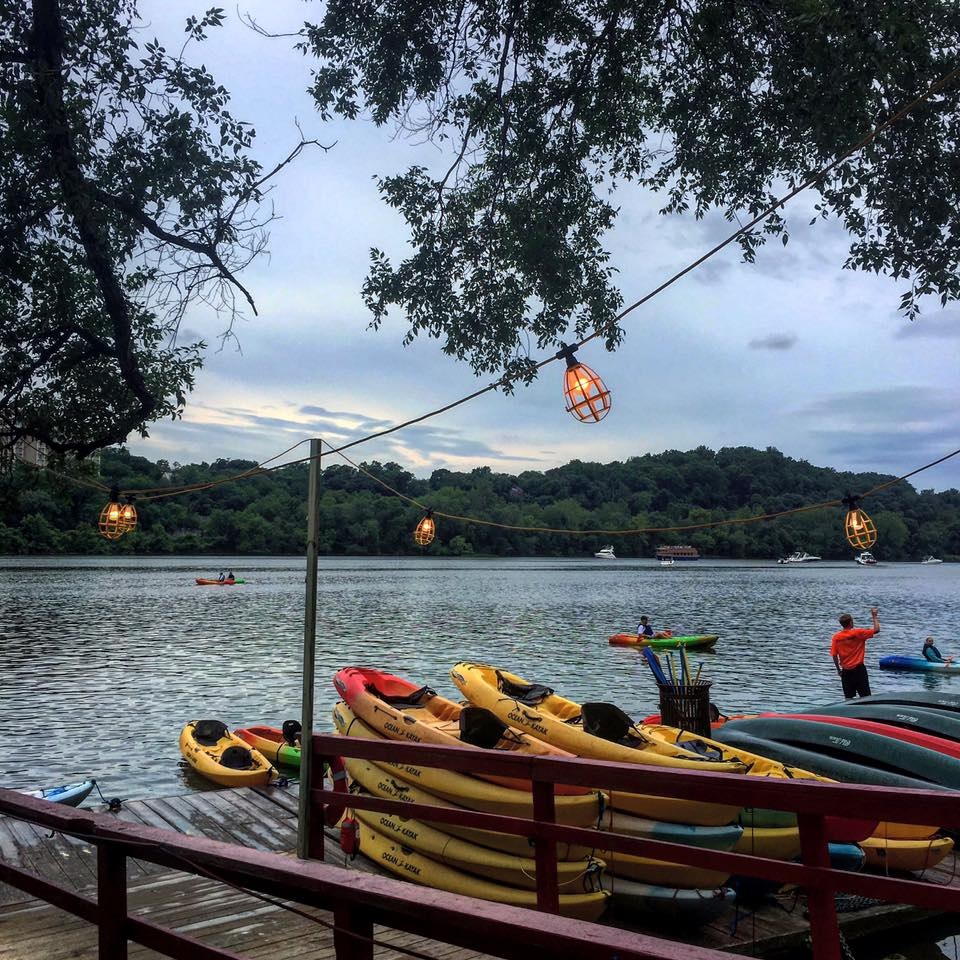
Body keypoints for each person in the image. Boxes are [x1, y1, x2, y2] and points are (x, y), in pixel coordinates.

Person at [830, 607, 880, 699]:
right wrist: (874, 616)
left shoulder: (836, 637)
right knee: (866, 697)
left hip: (846, 671)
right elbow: (876, 630)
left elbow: (834, 655)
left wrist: (838, 670)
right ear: (850, 623)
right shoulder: (858, 633)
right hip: (859, 670)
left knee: (848, 699)